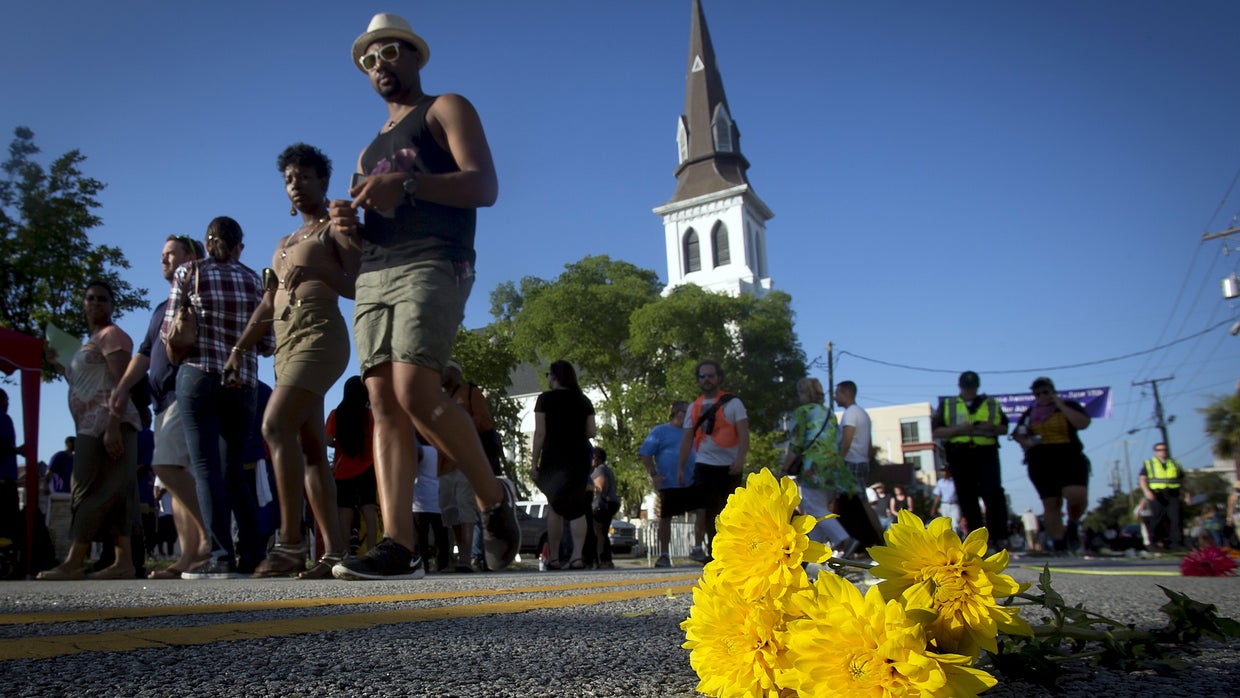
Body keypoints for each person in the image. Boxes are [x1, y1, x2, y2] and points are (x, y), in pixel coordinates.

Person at [328, 12, 519, 580]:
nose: (379, 65)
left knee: (415, 389)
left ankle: (492, 501)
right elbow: (364, 245)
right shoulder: (366, 154)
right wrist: (346, 232)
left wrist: (407, 184)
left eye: (389, 53)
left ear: (414, 55)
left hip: (437, 259)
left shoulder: (446, 108)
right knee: (383, 401)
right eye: (369, 60)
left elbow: (484, 186)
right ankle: (399, 545)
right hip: (376, 274)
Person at [227, 144, 355, 579]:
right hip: (284, 340)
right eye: (289, 179)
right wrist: (240, 348)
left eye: (304, 176)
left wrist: (319, 274)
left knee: (274, 425)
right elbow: (267, 303)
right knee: (311, 448)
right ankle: (335, 553)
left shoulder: (332, 230)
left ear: (323, 181)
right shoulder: (283, 244)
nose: (295, 185)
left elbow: (357, 283)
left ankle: (289, 543)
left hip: (320, 333)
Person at [162, 217, 273, 579]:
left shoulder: (189, 273)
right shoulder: (254, 280)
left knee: (206, 469)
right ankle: (253, 554)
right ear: (240, 245)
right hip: (242, 383)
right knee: (234, 471)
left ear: (207, 243)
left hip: (198, 375)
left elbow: (169, 331)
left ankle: (221, 556)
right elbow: (268, 344)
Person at [110, 233, 212, 579]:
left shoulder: (196, 298)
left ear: (190, 258)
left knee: (167, 467)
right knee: (174, 475)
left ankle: (210, 540)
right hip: (162, 401)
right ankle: (190, 555)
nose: (163, 260)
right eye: (162, 255)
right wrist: (123, 387)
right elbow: (143, 353)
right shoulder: (161, 308)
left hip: (183, 391)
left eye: (170, 254)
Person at [38, 282, 141, 580]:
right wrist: (56, 361)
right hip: (89, 426)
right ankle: (123, 561)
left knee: (88, 489)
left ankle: (73, 561)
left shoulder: (113, 336)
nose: (96, 303)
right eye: (90, 298)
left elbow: (121, 383)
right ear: (82, 304)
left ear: (112, 306)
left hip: (109, 424)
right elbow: (83, 381)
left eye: (103, 299)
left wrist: (112, 425)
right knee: (115, 492)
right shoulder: (89, 342)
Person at [1012, 377, 1092, 554]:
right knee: (1051, 502)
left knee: (1076, 495)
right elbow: (1017, 434)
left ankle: (1072, 524)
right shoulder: (1030, 413)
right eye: (1038, 393)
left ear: (1053, 391)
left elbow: (1083, 423)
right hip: (1041, 460)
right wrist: (1027, 443)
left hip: (1069, 456)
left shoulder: (1068, 406)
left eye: (1046, 392)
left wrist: (1060, 404)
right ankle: (1059, 544)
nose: (1042, 396)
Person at [679, 360, 748, 561]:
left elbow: (744, 434)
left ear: (718, 377)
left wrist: (740, 459)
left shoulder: (733, 403)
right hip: (704, 466)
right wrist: (680, 468)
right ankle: (714, 553)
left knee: (729, 511)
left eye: (710, 375)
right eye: (702, 376)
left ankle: (733, 553)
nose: (707, 379)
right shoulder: (694, 407)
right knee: (707, 511)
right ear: (698, 380)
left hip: (729, 467)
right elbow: (686, 439)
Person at [530, 360, 596, 570]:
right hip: (578, 458)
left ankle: (555, 557)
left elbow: (540, 433)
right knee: (577, 507)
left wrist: (534, 462)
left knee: (555, 506)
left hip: (553, 458)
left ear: (555, 377)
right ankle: (577, 556)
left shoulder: (545, 400)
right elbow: (592, 432)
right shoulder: (583, 400)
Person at [931, 370, 1009, 544]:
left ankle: (999, 537)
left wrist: (991, 427)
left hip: (986, 452)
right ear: (960, 386)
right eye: (966, 386)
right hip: (960, 453)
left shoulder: (990, 403)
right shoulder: (948, 404)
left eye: (972, 386)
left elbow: (1004, 428)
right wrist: (959, 429)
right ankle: (977, 541)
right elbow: (936, 430)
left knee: (993, 494)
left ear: (977, 386)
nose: (969, 390)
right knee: (967, 497)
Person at [782, 378, 856, 555]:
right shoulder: (828, 413)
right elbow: (838, 441)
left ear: (804, 394)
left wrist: (785, 468)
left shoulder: (802, 412)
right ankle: (811, 554)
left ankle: (844, 539)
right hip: (833, 466)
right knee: (817, 514)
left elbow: (796, 443)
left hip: (812, 467)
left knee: (814, 508)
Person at [638, 401, 705, 567]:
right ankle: (664, 554)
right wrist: (654, 475)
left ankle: (697, 548)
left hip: (693, 481)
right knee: (665, 517)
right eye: (686, 412)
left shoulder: (694, 433)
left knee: (702, 510)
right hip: (670, 483)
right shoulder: (660, 431)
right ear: (675, 412)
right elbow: (645, 454)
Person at [328, 376, 379, 559]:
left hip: (343, 470)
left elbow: (327, 439)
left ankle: (346, 553)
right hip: (368, 467)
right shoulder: (370, 416)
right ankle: (372, 552)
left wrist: (338, 444)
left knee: (344, 513)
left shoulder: (336, 414)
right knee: (369, 511)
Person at [833, 380, 883, 550]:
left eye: (837, 393)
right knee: (860, 502)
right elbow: (869, 444)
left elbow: (846, 440)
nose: (834, 397)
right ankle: (877, 537)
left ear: (846, 392)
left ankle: (872, 539)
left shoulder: (850, 414)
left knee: (855, 503)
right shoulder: (863, 413)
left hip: (850, 463)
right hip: (861, 461)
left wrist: (838, 461)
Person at [1138, 442, 1188, 550]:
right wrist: (1146, 491)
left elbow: (1183, 480)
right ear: (1155, 452)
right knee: (1157, 517)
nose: (1163, 452)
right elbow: (1142, 479)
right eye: (1160, 450)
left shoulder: (1175, 463)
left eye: (1165, 449)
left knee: (1176, 518)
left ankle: (1176, 543)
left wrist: (1187, 494)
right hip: (1157, 494)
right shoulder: (1149, 463)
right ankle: (1153, 542)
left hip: (1173, 493)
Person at [588, 448, 621, 570]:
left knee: (599, 533)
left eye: (592, 457)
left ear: (598, 458)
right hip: (611, 503)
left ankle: (603, 559)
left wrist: (588, 488)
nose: (591, 460)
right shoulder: (605, 469)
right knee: (602, 532)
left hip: (603, 504)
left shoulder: (599, 469)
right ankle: (606, 560)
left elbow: (600, 486)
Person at [929, 468, 960, 533]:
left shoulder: (954, 481)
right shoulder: (940, 482)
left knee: (955, 524)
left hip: (954, 504)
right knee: (945, 523)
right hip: (944, 504)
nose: (944, 473)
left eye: (945, 471)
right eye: (942, 471)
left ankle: (956, 538)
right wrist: (934, 508)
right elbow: (938, 496)